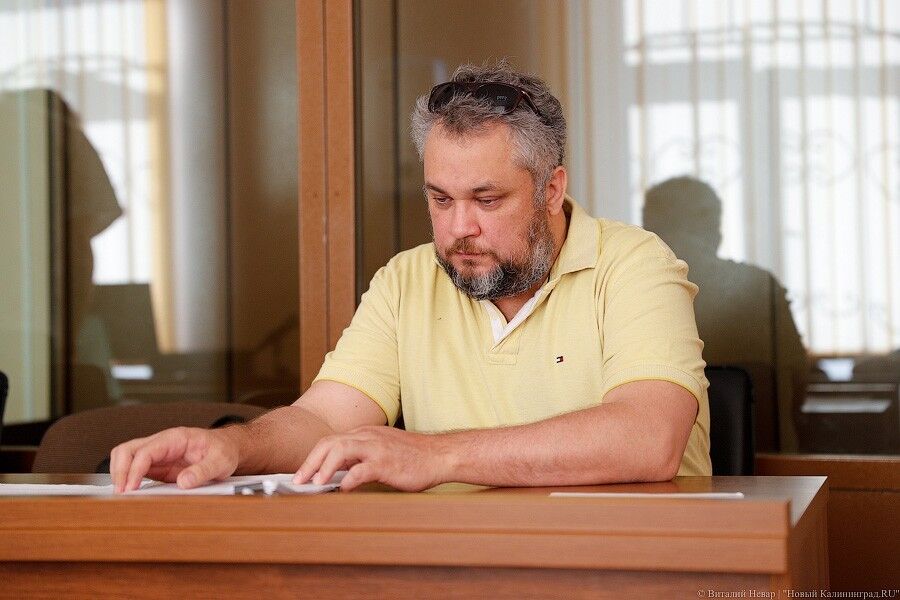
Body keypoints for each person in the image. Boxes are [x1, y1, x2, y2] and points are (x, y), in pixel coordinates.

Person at [111, 62, 711, 493]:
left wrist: (437, 455)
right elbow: (324, 419)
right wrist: (233, 446)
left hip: (624, 564)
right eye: (440, 199)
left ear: (551, 190)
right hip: (450, 569)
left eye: (487, 200)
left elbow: (648, 437)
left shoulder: (634, 265)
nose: (459, 228)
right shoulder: (406, 280)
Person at [642, 176, 808, 452]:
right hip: (770, 460)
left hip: (676, 467)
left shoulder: (637, 290)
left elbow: (796, 377)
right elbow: (799, 380)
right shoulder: (760, 284)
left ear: (652, 228)